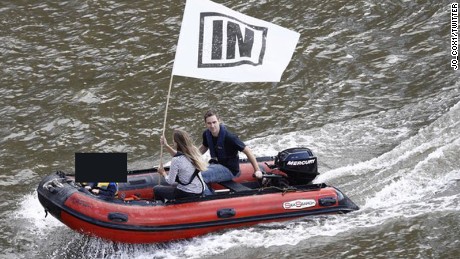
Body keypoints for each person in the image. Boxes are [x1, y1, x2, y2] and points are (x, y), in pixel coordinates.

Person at [199, 110, 262, 193]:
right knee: (196, 171)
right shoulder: (207, 134)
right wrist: (191, 157)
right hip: (216, 165)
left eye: (214, 122)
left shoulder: (229, 137)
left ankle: (208, 197)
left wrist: (257, 170)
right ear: (205, 124)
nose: (212, 125)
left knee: (200, 176)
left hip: (230, 170)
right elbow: (204, 147)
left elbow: (248, 151)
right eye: (209, 123)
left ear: (219, 121)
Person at [154, 129, 207, 202]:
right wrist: (166, 145)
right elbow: (179, 156)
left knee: (156, 189)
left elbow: (170, 181)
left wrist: (163, 172)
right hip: (200, 190)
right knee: (175, 185)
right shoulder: (193, 151)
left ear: (176, 142)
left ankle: (161, 208)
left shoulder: (176, 160)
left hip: (188, 193)